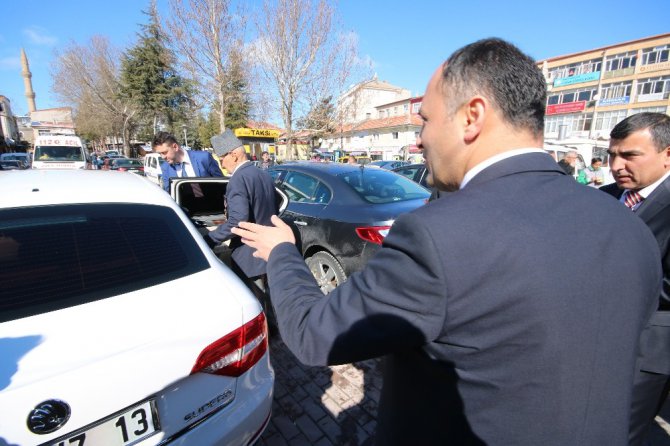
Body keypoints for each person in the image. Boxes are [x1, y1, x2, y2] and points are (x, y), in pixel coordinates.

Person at [231, 38, 661, 445]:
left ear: (472, 116)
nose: (419, 140)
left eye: (426, 120)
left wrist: (284, 251)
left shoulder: (437, 234)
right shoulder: (627, 227)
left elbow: (313, 334)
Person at [599, 112, 670, 446]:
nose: (616, 165)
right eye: (612, 154)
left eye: (629, 156)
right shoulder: (602, 196)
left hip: (647, 348)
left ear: (667, 154)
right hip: (592, 341)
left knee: (621, 433)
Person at [204, 129, 277, 286]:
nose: (221, 164)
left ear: (233, 155)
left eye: (221, 158)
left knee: (257, 304)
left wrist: (209, 239)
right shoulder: (263, 174)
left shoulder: (238, 179)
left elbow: (238, 221)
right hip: (270, 252)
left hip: (249, 257)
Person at [152, 131, 222, 191]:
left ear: (175, 147)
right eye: (160, 153)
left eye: (164, 152)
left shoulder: (204, 158)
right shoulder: (165, 167)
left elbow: (222, 182)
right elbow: (169, 194)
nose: (163, 157)